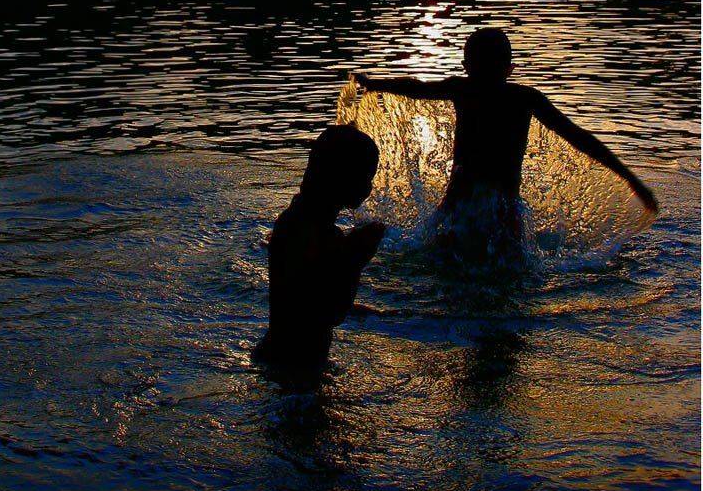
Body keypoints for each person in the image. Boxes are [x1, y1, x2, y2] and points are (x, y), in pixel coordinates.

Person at [352, 28, 658, 259]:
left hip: (459, 209)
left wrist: (376, 84)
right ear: (509, 67)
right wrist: (630, 178)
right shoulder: (519, 98)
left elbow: (416, 87)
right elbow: (580, 137)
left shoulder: (468, 90)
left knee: (440, 260)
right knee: (508, 268)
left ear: (466, 65)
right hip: (498, 210)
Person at [255, 125, 385, 368]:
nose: (369, 188)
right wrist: (355, 259)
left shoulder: (298, 220)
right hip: (292, 364)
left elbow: (302, 299)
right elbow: (330, 311)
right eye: (365, 178)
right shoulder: (308, 231)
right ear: (340, 176)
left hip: (284, 357)